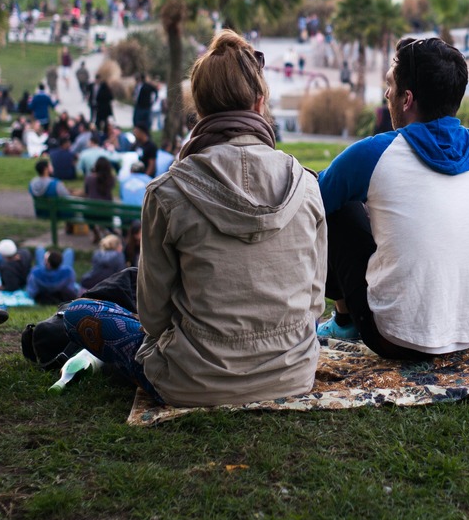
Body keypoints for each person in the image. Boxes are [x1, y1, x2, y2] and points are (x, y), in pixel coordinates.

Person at [129, 29, 326, 403]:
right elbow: (314, 304)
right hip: (292, 375)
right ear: (260, 102)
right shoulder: (306, 185)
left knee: (88, 312)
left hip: (192, 380)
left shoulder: (167, 192)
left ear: (199, 109)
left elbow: (152, 319)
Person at [316, 35, 469, 359]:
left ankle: (345, 319)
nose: (387, 93)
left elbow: (314, 200)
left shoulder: (373, 153)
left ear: (407, 99)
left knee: (339, 206)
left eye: (391, 85)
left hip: (396, 339)